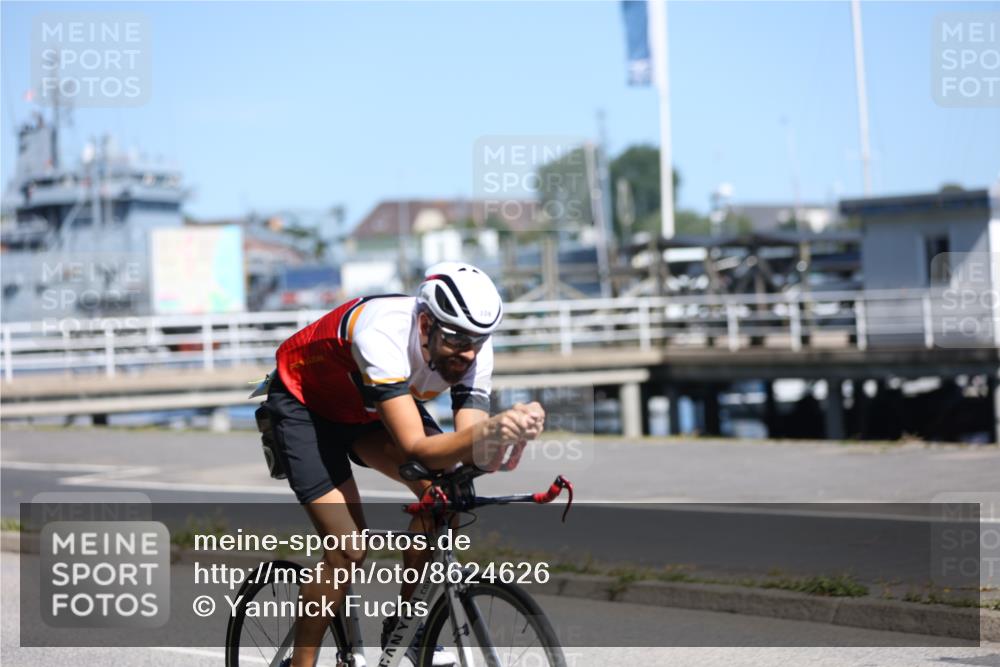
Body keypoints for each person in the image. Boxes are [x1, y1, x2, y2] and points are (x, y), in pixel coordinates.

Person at [262, 261, 546, 667]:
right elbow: (415, 448)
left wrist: (507, 434)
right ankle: (302, 663)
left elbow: (465, 450)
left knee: (444, 494)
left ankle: (405, 631)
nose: (467, 354)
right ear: (426, 324)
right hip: (305, 405)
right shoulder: (382, 332)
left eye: (478, 342)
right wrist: (488, 432)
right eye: (457, 340)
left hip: (365, 409)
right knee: (348, 548)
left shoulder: (473, 348)